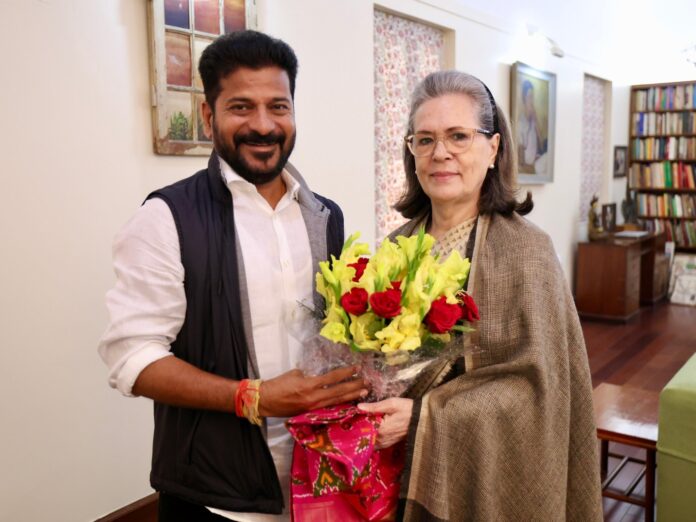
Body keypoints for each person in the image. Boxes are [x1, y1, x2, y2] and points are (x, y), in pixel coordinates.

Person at [98, 30, 367, 522]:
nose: (263, 125)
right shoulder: (166, 217)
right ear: (209, 115)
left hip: (319, 483)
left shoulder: (326, 216)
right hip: (213, 496)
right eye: (241, 107)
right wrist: (253, 397)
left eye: (278, 107)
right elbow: (131, 359)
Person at [359, 71, 603, 521]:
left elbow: (539, 391)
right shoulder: (394, 247)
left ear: (492, 148)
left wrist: (422, 418)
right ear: (411, 151)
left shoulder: (527, 250)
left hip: (482, 478)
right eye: (425, 139)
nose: (441, 153)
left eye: (458, 136)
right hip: (392, 473)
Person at [517, 79, 545, 170]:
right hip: (529, 164)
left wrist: (535, 120)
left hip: (537, 160)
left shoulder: (533, 119)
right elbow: (521, 151)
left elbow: (541, 144)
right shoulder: (521, 122)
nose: (531, 101)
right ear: (524, 99)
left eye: (532, 97)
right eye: (529, 97)